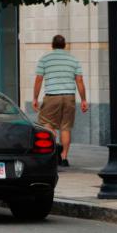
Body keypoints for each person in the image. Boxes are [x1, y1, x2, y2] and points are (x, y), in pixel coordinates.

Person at [33, 35, 88, 167]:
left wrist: (35, 97)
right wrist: (84, 99)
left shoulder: (45, 59)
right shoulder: (73, 59)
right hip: (69, 97)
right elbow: (79, 80)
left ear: (52, 45)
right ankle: (64, 157)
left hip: (52, 96)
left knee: (48, 124)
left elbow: (39, 80)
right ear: (64, 45)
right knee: (66, 127)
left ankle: (51, 154)